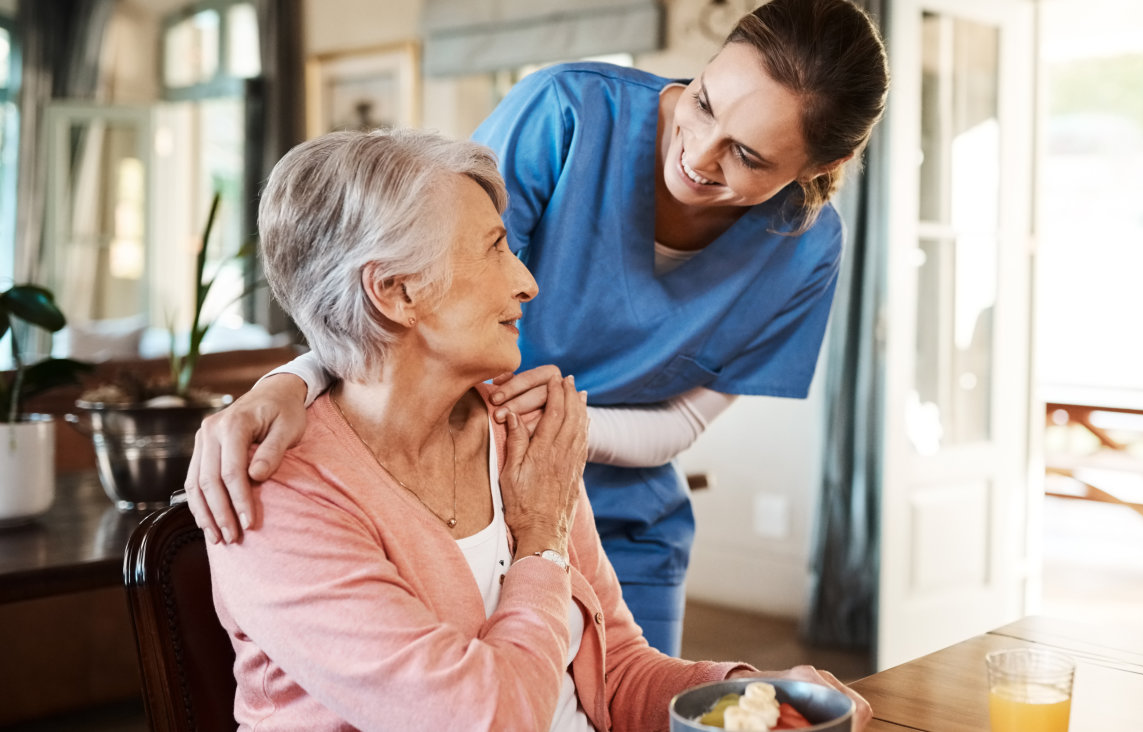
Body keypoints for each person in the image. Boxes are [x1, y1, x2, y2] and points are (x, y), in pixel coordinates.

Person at [187, 0, 890, 657]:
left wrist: (557, 437)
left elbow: (682, 424)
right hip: (458, 491)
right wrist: (291, 380)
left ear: (821, 168)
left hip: (623, 521)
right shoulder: (568, 114)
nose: (699, 154)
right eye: (703, 103)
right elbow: (408, 285)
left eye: (748, 156)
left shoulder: (805, 249)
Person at [206, 127, 872, 731]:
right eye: (496, 249)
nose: (526, 282)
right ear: (396, 293)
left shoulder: (518, 437)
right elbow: (487, 720)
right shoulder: (277, 496)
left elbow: (614, 672)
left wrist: (749, 696)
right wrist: (542, 542)